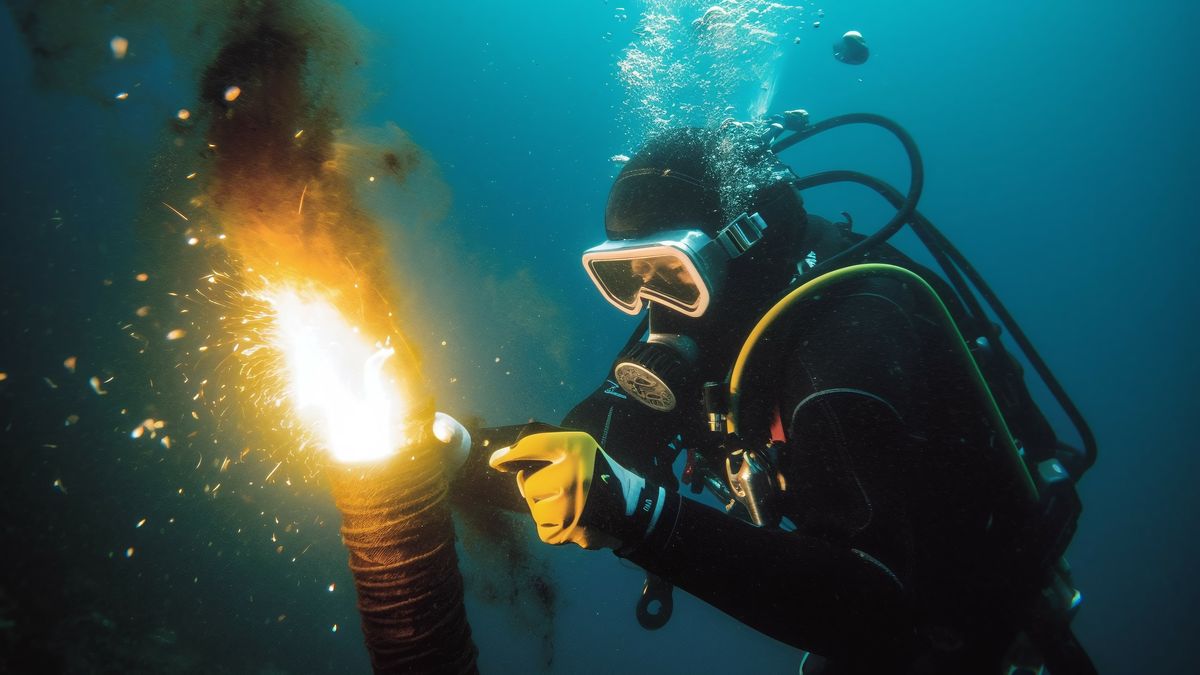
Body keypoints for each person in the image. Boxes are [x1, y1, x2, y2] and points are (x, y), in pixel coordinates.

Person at [485, 120, 1093, 674]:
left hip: (960, 607)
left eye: (673, 273)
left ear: (743, 250)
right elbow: (590, 456)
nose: (654, 309)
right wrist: (460, 450)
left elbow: (875, 603)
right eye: (627, 275)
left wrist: (644, 517)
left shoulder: (844, 347)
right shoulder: (713, 319)